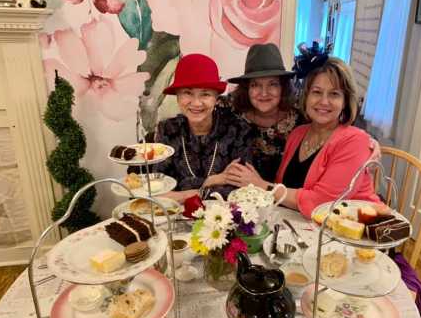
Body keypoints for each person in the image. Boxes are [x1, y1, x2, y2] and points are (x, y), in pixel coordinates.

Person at [226, 57, 381, 218]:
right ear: (306, 96)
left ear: (345, 101)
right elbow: (283, 187)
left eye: (334, 94)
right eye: (317, 92)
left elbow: (323, 204)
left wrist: (261, 185)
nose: (324, 101)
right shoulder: (298, 134)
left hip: (355, 229)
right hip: (301, 223)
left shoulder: (355, 142)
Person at [149, 53, 253, 203]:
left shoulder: (239, 130)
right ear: (177, 97)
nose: (196, 103)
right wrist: (212, 180)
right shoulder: (167, 130)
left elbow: (240, 191)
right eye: (188, 93)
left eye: (205, 94)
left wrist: (181, 192)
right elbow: (158, 190)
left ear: (216, 98)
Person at [223, 43, 306, 182]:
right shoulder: (230, 107)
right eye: (255, 85)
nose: (264, 93)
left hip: (287, 195)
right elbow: (201, 103)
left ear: (283, 87)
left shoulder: (301, 113)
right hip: (240, 194)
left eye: (272, 84)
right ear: (246, 89)